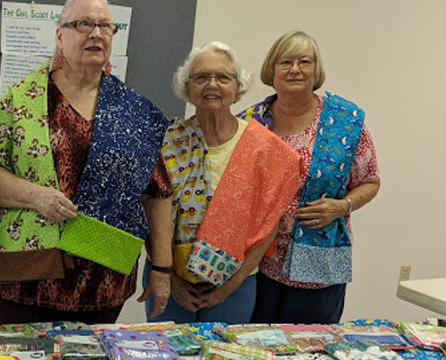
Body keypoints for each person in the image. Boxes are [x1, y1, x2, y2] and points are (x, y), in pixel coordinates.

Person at [0, 0, 173, 324]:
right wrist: (35, 196)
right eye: (83, 24)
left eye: (105, 26)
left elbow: (157, 193)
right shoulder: (19, 100)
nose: (96, 34)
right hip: (27, 275)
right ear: (60, 35)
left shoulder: (136, 113)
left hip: (103, 276)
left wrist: (162, 269)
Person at [146, 41, 301, 324]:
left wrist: (231, 285)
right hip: (169, 277)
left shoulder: (265, 149)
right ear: (188, 88)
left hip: (235, 283)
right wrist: (169, 278)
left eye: (223, 77)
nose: (212, 85)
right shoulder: (166, 140)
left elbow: (268, 224)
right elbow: (149, 212)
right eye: (201, 77)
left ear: (238, 88)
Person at [237, 30, 380, 324]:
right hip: (256, 264)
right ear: (271, 69)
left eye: (304, 61)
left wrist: (343, 206)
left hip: (320, 266)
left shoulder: (346, 120)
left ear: (316, 70)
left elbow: (370, 180)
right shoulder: (250, 122)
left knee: (312, 348)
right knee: (254, 346)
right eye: (285, 61)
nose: (295, 69)